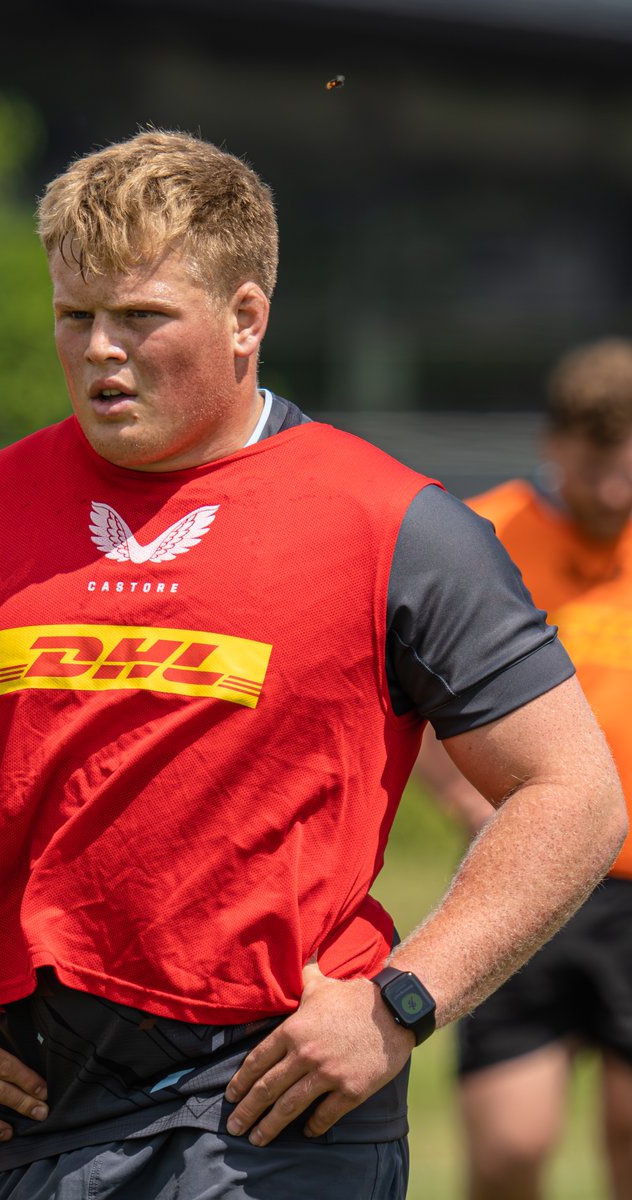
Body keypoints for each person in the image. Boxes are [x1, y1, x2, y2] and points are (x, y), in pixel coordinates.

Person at [0, 131, 626, 1200]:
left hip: (289, 1097)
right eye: (74, 315)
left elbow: (576, 793)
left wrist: (402, 1001)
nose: (99, 349)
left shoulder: (396, 524)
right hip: (43, 1100)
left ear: (245, 319)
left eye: (140, 317)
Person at [414, 337, 632, 1200]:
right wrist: (469, 803)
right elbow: (413, 691)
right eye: (597, 465)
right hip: (528, 874)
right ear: (555, 444)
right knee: (510, 1146)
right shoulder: (482, 536)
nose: (615, 490)